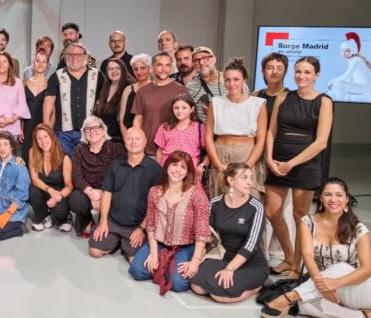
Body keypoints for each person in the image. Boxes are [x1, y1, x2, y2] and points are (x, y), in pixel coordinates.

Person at [260, 177, 371, 318]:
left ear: (347, 199)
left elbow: (368, 269)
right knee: (304, 307)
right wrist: (322, 285)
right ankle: (367, 317)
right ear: (321, 198)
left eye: (339, 195)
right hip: (324, 289)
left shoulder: (359, 229)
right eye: (328, 194)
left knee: (341, 267)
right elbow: (307, 255)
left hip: (357, 290)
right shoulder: (307, 222)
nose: (333, 199)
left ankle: (288, 297)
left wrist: (335, 283)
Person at [265, 56, 334, 279]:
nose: (301, 76)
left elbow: (321, 142)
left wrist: (291, 164)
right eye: (298, 71)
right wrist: (269, 159)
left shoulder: (324, 101)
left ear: (317, 75)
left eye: (306, 72)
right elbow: (271, 131)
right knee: (272, 212)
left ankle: (297, 265)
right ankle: (288, 256)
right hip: (278, 161)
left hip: (305, 164)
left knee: (299, 215)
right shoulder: (283, 97)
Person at [127, 151, 212, 294]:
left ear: (188, 172)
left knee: (178, 284)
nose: (177, 170)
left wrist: (195, 261)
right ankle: (164, 266)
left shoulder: (197, 195)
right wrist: (153, 254)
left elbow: (202, 231)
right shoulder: (154, 192)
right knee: (136, 271)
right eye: (174, 165)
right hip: (159, 243)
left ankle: (169, 267)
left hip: (185, 246)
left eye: (183, 167)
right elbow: (152, 225)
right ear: (167, 166)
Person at [191, 163, 269, 303]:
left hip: (251, 262)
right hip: (224, 257)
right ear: (231, 180)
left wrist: (229, 269)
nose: (250, 182)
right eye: (244, 178)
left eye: (251, 178)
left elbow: (252, 245)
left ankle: (256, 287)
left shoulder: (256, 207)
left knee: (219, 296)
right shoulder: (215, 203)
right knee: (197, 286)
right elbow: (207, 235)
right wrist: (196, 260)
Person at [89, 127, 162, 262]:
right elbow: (107, 193)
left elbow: (155, 204)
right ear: (124, 142)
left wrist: (141, 228)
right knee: (95, 251)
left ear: (145, 142)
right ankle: (117, 241)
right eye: (129, 139)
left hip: (137, 225)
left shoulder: (155, 169)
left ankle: (125, 243)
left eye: (137, 139)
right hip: (113, 221)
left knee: (133, 260)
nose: (133, 142)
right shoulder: (115, 165)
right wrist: (103, 221)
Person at [205, 58, 267, 199]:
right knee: (221, 196)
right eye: (227, 80)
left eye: (236, 79)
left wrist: (248, 165)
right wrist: (217, 163)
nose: (231, 84)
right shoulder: (215, 103)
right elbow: (208, 135)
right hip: (220, 153)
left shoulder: (258, 104)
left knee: (247, 196)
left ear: (244, 79)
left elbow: (261, 139)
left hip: (247, 154)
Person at [69, 116, 124, 237]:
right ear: (84, 133)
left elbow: (120, 175)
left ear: (103, 130)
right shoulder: (79, 149)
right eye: (87, 129)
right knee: (75, 200)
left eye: (96, 128)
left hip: (109, 190)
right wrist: (90, 192)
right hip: (88, 189)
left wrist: (102, 193)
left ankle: (106, 223)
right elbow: (77, 176)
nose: (92, 132)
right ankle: (87, 220)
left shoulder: (116, 148)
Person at [44, 42, 101, 154]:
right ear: (66, 57)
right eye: (70, 54)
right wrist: (46, 127)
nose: (74, 58)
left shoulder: (97, 75)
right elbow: (48, 102)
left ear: (85, 56)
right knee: (65, 164)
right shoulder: (57, 76)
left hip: (89, 132)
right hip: (62, 133)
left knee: (86, 165)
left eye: (78, 54)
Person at [132, 51, 187, 156]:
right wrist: (139, 144)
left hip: (173, 152)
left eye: (167, 65)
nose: (164, 69)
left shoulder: (182, 91)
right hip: (147, 151)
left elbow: (187, 122)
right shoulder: (142, 91)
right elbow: (138, 119)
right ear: (152, 67)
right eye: (160, 65)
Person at [27, 123, 74, 232]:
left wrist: (59, 196)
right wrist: (50, 190)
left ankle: (63, 219)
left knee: (59, 212)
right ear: (36, 141)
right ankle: (44, 216)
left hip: (59, 192)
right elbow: (34, 179)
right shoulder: (33, 152)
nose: (43, 141)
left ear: (52, 137)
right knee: (32, 190)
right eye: (39, 138)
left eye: (45, 137)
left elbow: (69, 186)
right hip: (44, 189)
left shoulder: (65, 157)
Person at [154, 94, 205, 175]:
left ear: (191, 109)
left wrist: (202, 166)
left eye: (184, 108)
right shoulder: (165, 127)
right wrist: (157, 169)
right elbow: (159, 151)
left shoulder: (199, 127)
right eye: (176, 108)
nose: (179, 111)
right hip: (167, 169)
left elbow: (209, 150)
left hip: (190, 170)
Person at [187, 46, 240, 124]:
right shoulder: (190, 85)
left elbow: (245, 111)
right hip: (201, 133)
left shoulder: (232, 82)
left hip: (227, 133)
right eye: (196, 60)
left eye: (205, 58)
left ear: (214, 59)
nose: (201, 63)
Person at [327, 32, 371, 102]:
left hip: (363, 87)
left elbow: (345, 77)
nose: (344, 53)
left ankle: (340, 104)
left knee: (337, 85)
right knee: (333, 90)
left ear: (353, 50)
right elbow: (349, 78)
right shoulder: (353, 60)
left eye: (347, 51)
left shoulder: (356, 60)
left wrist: (331, 81)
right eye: (342, 50)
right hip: (359, 86)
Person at [94, 57, 134, 144]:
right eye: (110, 69)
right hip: (102, 139)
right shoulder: (104, 88)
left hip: (119, 140)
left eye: (117, 68)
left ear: (123, 70)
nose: (113, 71)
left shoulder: (129, 89)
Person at [21, 49, 50, 159]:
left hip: (43, 125)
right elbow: (20, 107)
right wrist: (20, 127)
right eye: (37, 61)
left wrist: (49, 128)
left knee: (42, 157)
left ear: (47, 65)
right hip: (27, 126)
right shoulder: (24, 83)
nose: (40, 64)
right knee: (26, 157)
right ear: (33, 63)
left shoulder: (51, 83)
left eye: (44, 61)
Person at [120, 54, 151, 139]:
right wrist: (127, 139)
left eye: (143, 68)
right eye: (136, 69)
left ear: (150, 69)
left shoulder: (156, 88)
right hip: (129, 137)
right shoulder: (128, 89)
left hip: (150, 137)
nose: (139, 72)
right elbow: (122, 118)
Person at [254, 52, 289, 120]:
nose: (274, 72)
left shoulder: (290, 97)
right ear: (263, 71)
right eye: (270, 68)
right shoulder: (255, 96)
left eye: (279, 68)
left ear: (285, 72)